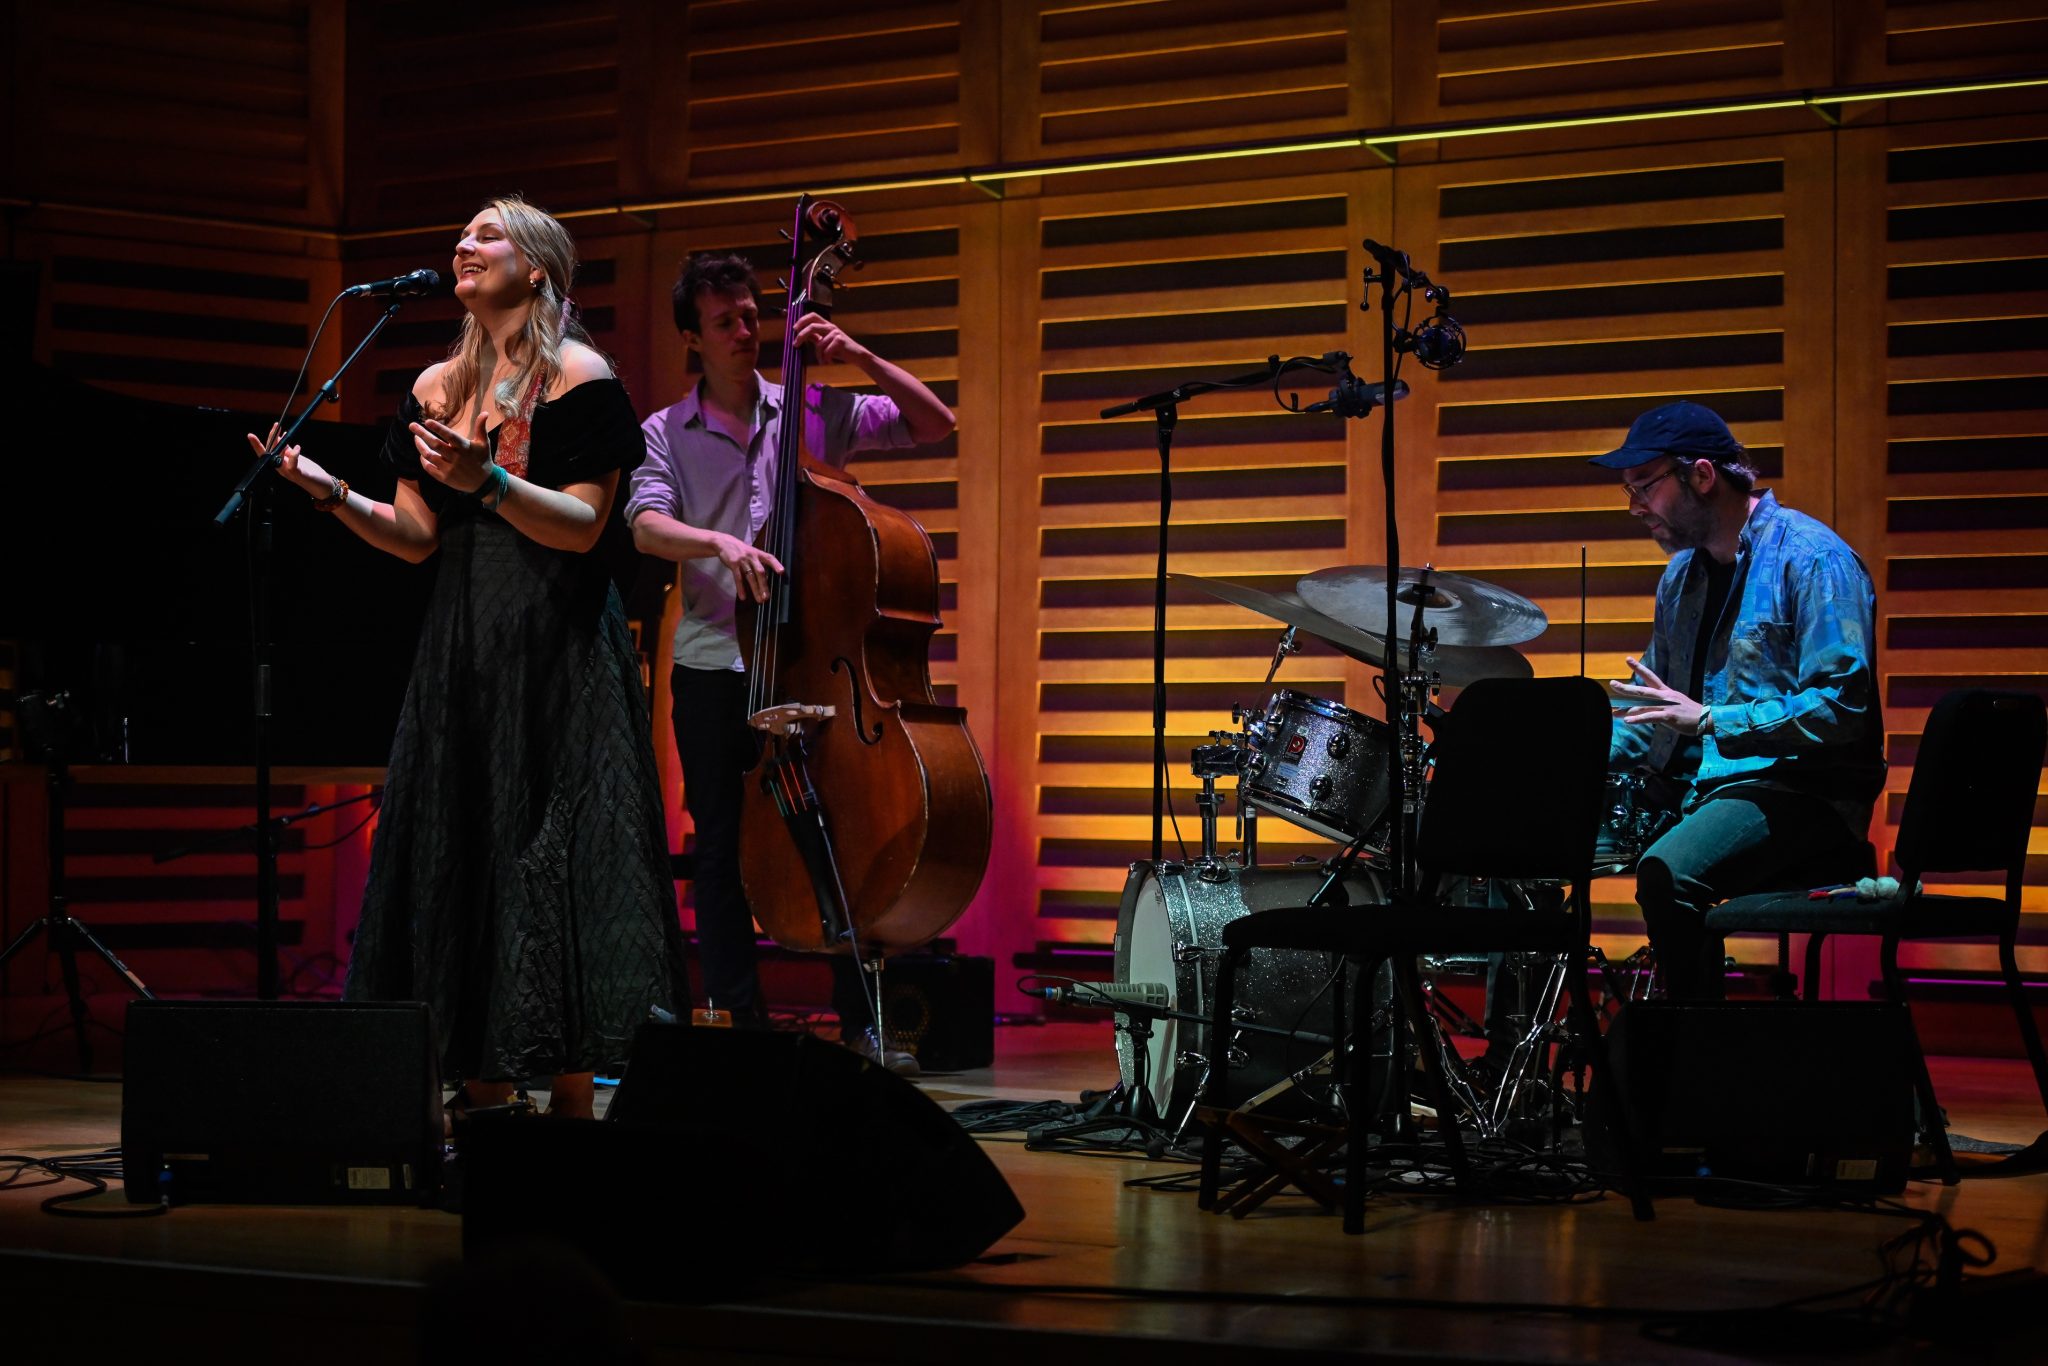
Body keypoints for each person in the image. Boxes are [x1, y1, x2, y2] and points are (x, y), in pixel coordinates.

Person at [248, 195, 690, 1116]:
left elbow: (584, 526)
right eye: (464, 233)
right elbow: (415, 536)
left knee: (553, 849)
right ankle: (485, 1090)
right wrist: (328, 491)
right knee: (470, 841)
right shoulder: (435, 387)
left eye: (489, 234)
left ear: (538, 269)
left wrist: (485, 480)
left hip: (558, 639)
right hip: (465, 639)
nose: (465, 243)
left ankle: (570, 1096)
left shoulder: (579, 374)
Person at [626, 251, 955, 1062]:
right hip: (714, 665)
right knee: (719, 848)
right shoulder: (665, 433)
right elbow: (644, 525)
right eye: (724, 321)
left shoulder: (809, 406)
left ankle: (859, 1022)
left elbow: (934, 423)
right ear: (692, 339)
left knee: (831, 835)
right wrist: (719, 543)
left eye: (751, 315)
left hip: (810, 665)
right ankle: (739, 1021)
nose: (746, 331)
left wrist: (860, 355)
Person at [1598, 401, 1884, 999]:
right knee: (1524, 835)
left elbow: (1841, 706)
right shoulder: (1681, 577)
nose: (1634, 507)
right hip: (1697, 786)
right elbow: (1656, 713)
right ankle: (1514, 1037)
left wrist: (1710, 721)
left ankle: (1696, 1044)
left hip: (1803, 791)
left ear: (1702, 476)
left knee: (1668, 874)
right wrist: (1573, 754)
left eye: (1645, 486)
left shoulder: (1813, 558)